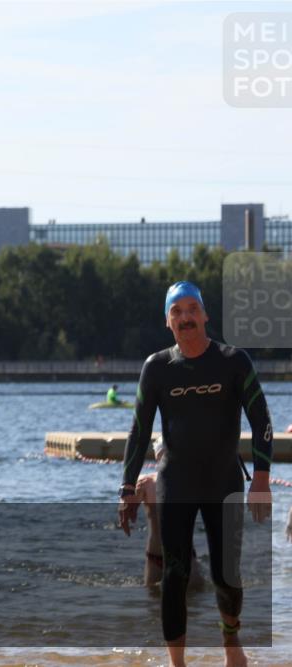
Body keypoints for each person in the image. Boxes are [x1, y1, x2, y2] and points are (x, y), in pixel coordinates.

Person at [118, 281, 273, 667]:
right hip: (176, 481)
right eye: (177, 311)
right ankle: (177, 663)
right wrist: (126, 487)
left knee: (227, 575)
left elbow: (262, 421)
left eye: (191, 309)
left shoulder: (234, 361)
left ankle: (231, 642)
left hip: (224, 481)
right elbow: (139, 430)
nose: (185, 317)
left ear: (205, 315)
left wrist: (262, 480)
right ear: (167, 321)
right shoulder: (157, 368)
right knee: (175, 574)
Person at [136, 438, 204, 589]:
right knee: (152, 602)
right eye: (164, 456)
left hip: (185, 557)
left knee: (194, 599)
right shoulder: (146, 483)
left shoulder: (190, 482)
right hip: (155, 557)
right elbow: (128, 508)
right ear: (157, 457)